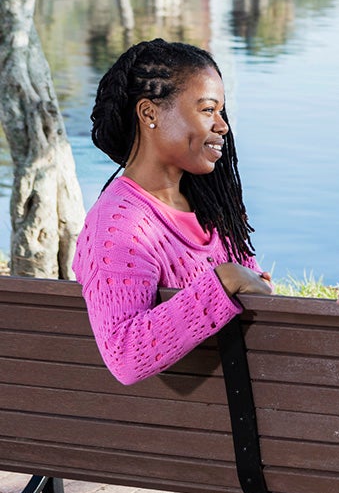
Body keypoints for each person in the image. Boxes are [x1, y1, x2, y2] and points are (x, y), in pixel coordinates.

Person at [73, 38, 273, 386]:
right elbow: (125, 355)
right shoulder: (118, 225)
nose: (222, 125)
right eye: (208, 109)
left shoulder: (211, 208)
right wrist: (224, 280)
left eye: (221, 111)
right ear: (149, 113)